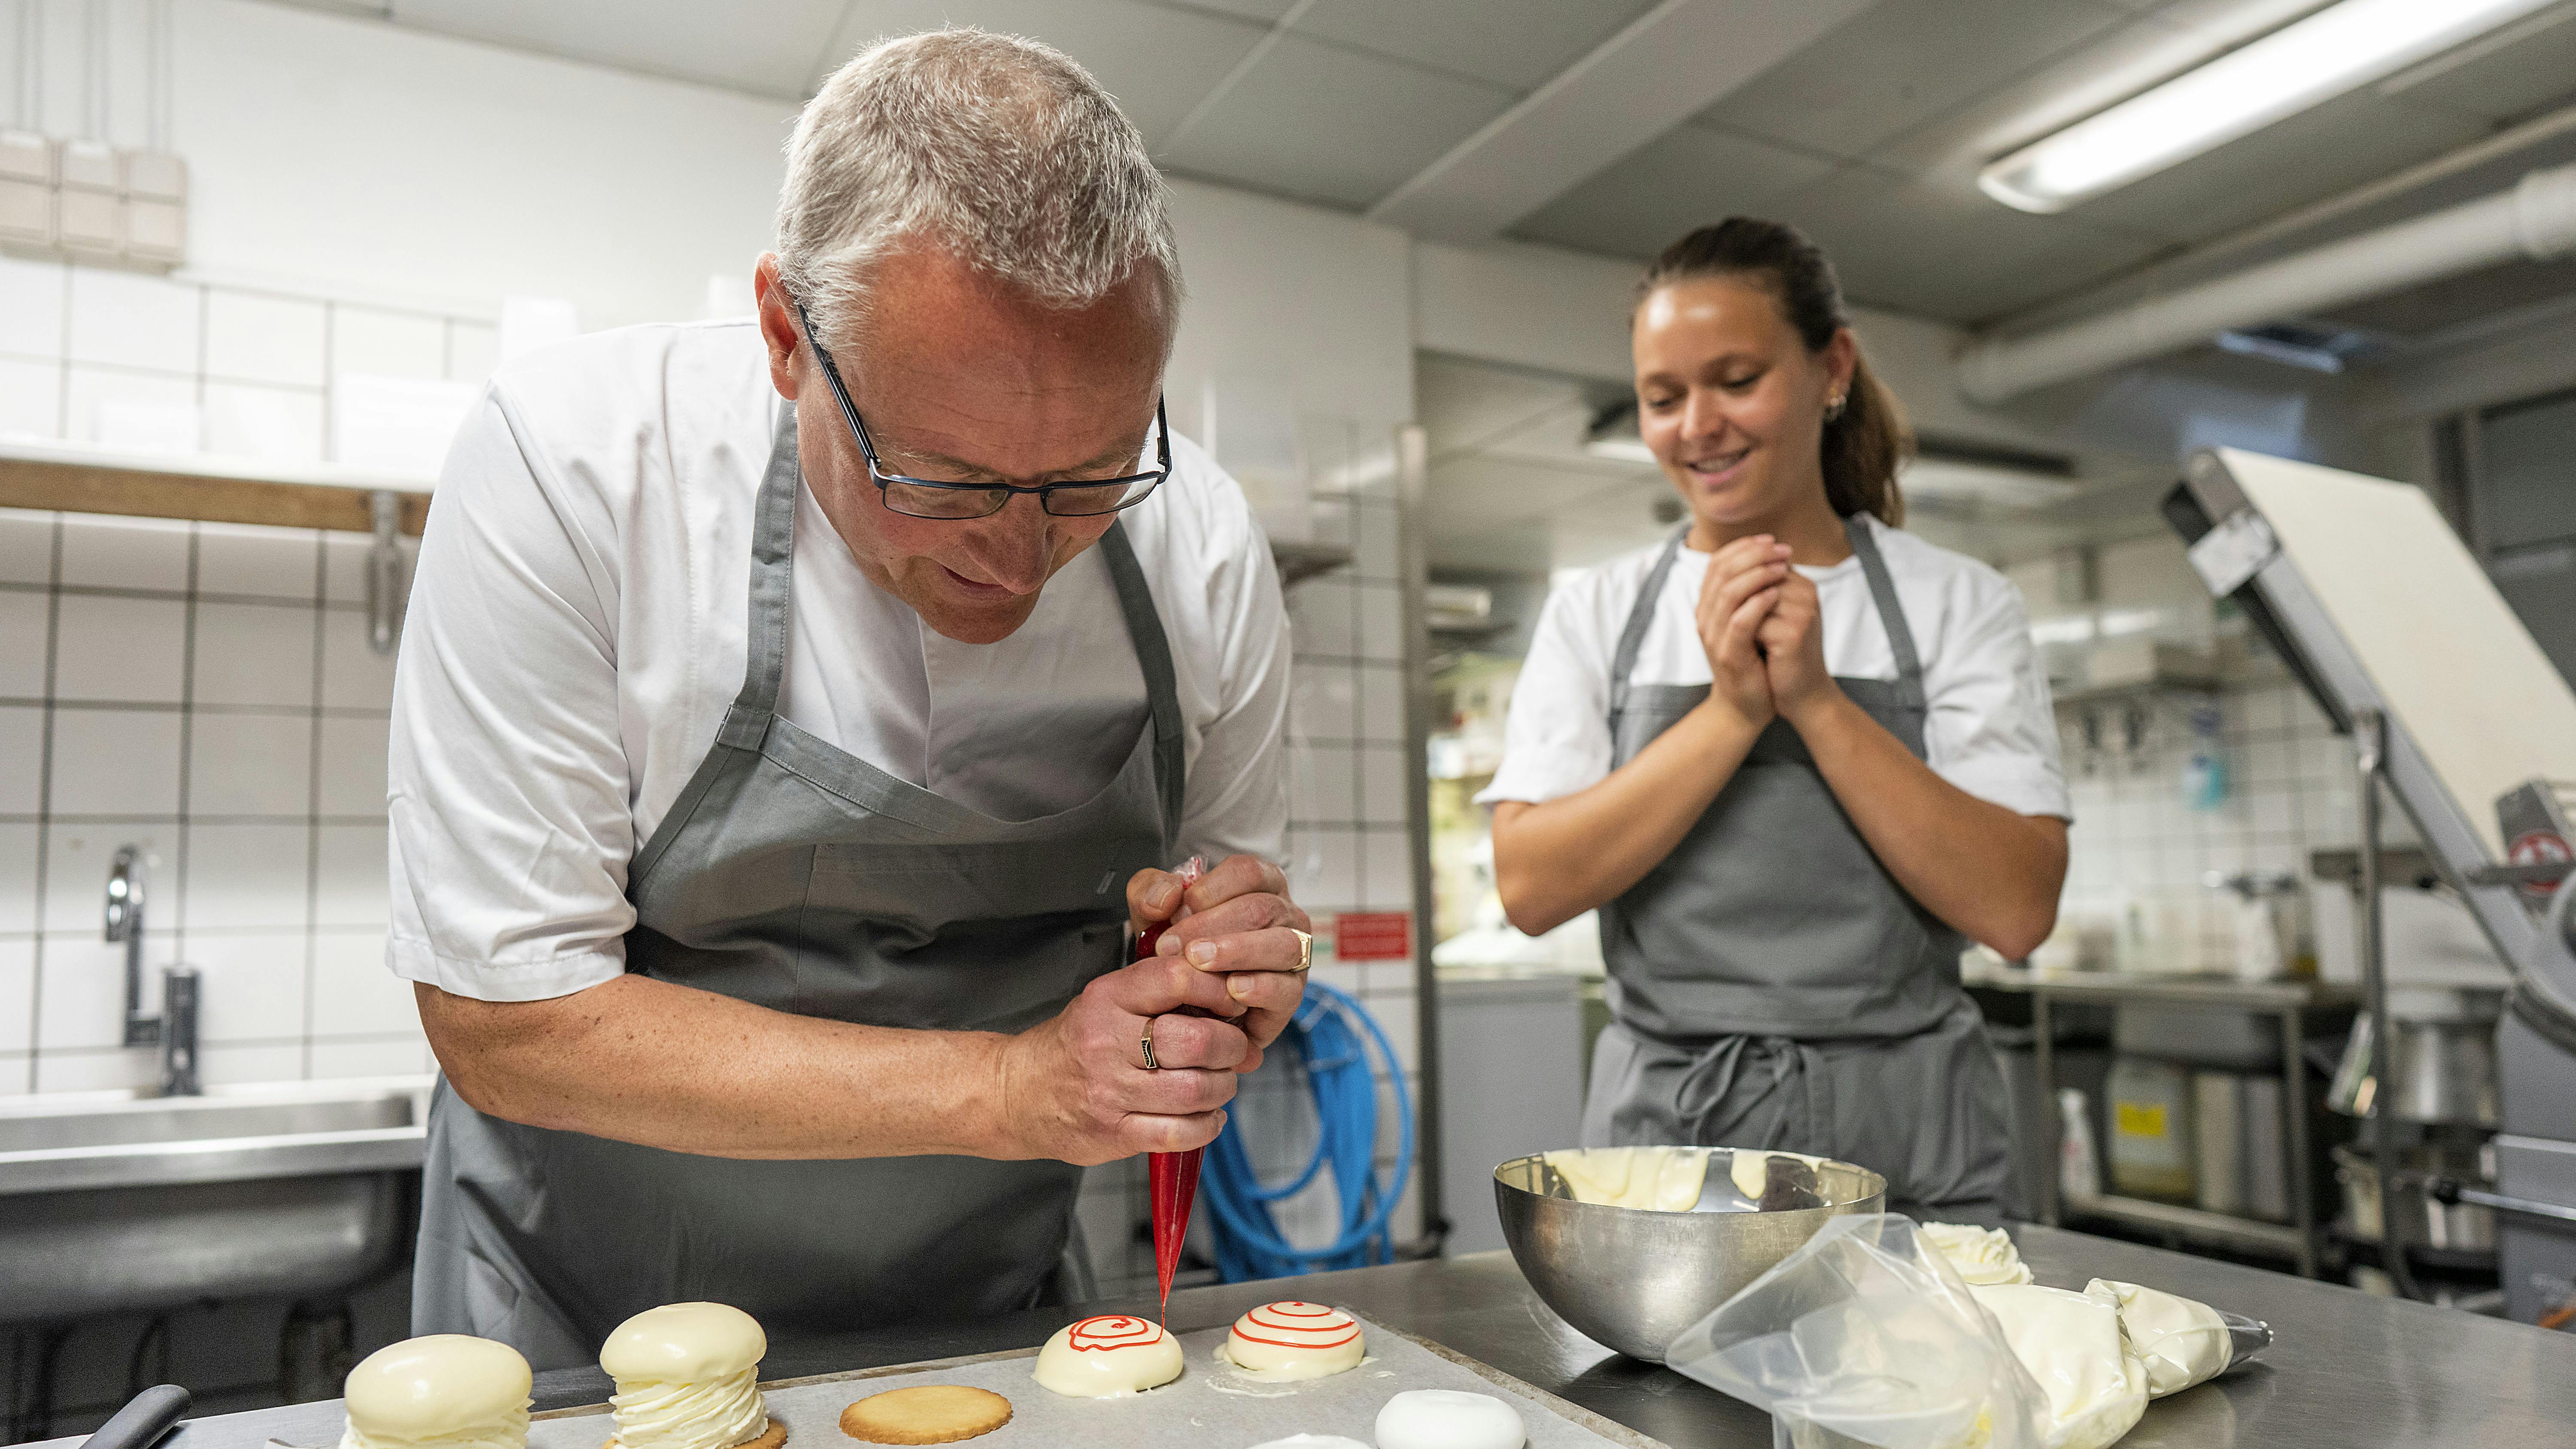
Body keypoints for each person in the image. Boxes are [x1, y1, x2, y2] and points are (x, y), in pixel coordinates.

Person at [387, 30, 1313, 1367]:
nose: (1018, 549)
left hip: (995, 1328)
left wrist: (1235, 975)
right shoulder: (582, 470)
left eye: (1092, 477)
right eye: (943, 478)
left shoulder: (1205, 543)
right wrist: (1006, 1085)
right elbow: (511, 1023)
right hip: (595, 1339)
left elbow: (1244, 932)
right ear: (784, 336)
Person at [1480, 219, 2069, 1221]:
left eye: (1737, 379)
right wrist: (1733, 711)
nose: (1696, 425)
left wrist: (1818, 701)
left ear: (1830, 366)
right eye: (1663, 398)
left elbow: (2017, 907)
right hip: (1676, 1143)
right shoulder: (1601, 609)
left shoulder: (1958, 603)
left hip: (1909, 1135)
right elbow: (1532, 884)